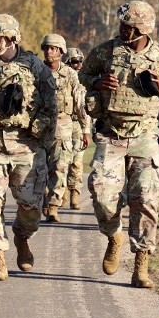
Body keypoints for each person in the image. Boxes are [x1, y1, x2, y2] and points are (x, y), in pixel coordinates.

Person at [80, 0, 159, 288]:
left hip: (144, 137)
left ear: (142, 29)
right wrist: (97, 84)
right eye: (122, 24)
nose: (123, 29)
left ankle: (141, 265)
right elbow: (83, 74)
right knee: (102, 196)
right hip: (110, 134)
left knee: (145, 198)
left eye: (129, 26)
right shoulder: (106, 51)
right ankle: (114, 235)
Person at [0, 14, 57, 282]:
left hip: (26, 145)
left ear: (11, 38)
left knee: (31, 206)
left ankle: (21, 235)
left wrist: (40, 134)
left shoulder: (35, 67)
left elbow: (51, 106)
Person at [40, 34, 90, 222]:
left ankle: (53, 205)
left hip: (63, 125)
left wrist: (85, 129)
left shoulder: (70, 74)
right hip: (39, 127)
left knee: (60, 166)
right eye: (46, 48)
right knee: (40, 168)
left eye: (53, 48)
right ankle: (44, 200)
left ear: (61, 52)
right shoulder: (36, 71)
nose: (49, 52)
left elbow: (79, 102)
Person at [64, 47, 89, 209]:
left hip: (80, 125)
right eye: (74, 61)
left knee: (77, 162)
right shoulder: (62, 77)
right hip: (64, 123)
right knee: (62, 162)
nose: (78, 65)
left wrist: (87, 129)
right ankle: (62, 194)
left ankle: (75, 194)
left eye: (80, 61)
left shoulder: (85, 79)